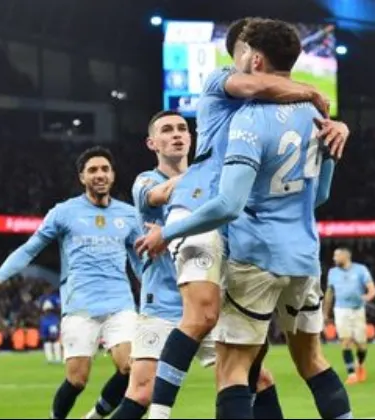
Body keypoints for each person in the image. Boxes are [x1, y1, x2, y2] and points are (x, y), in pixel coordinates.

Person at [137, 18, 352, 420]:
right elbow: (320, 195)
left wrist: (167, 232)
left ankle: (159, 412)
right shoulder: (317, 117)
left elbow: (229, 205)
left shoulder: (249, 119)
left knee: (233, 368)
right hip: (304, 255)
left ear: (253, 58)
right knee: (312, 361)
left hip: (254, 250)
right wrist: (320, 103)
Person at [112, 110, 283, 419]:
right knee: (142, 391)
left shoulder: (214, 185)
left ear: (191, 139)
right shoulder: (146, 181)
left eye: (181, 128)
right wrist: (213, 168)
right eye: (167, 130)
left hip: (208, 302)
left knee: (258, 380)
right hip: (164, 303)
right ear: (152, 143)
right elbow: (161, 193)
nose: (176, 134)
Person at [0, 146, 142, 420]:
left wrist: (153, 293)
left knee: (131, 367)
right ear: (82, 177)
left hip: (120, 304)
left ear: (113, 175)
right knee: (77, 379)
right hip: (80, 306)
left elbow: (138, 261)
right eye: (92, 170)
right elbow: (30, 249)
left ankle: (94, 417)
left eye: (105, 169)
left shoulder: (129, 215)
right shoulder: (64, 212)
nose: (99, 174)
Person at [323, 247, 375, 384]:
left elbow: (372, 289)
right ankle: (351, 374)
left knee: (361, 344)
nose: (334, 258)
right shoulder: (332, 272)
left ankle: (360, 365)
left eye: (336, 256)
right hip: (341, 310)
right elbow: (329, 292)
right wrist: (325, 312)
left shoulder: (360, 269)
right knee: (345, 341)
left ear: (345, 256)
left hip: (357, 310)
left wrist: (367, 297)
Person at [39, 288, 63, 364]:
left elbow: (59, 308)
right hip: (47, 320)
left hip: (53, 320)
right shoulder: (43, 298)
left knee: (54, 339)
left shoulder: (54, 297)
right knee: (47, 340)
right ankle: (50, 358)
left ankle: (57, 358)